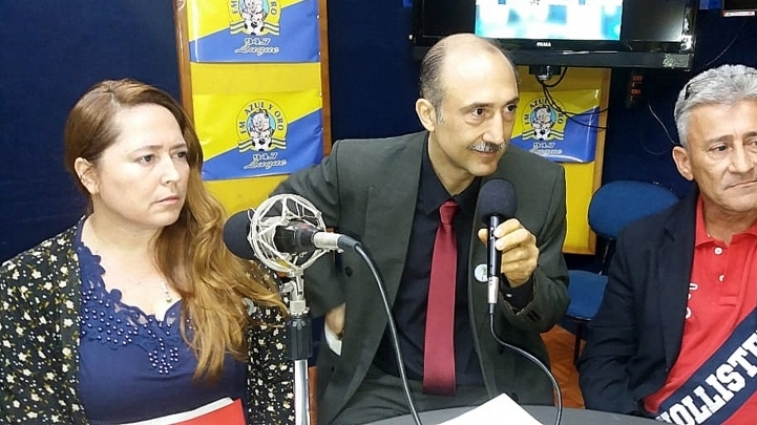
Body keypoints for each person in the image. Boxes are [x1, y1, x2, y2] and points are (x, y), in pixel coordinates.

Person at [271, 33, 570, 425]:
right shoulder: (361, 168)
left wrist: (523, 283)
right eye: (478, 112)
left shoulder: (540, 183)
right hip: (382, 384)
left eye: (509, 109)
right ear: (429, 114)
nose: (498, 134)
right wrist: (333, 299)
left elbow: (548, 312)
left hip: (493, 384)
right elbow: (279, 216)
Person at [0, 79, 294, 424]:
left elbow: (277, 396)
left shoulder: (232, 259)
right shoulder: (28, 284)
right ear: (89, 175)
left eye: (179, 155)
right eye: (147, 158)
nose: (173, 174)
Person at [578, 64, 757, 423]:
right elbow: (604, 360)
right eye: (720, 148)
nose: (743, 164)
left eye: (755, 142)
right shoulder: (642, 243)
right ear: (685, 163)